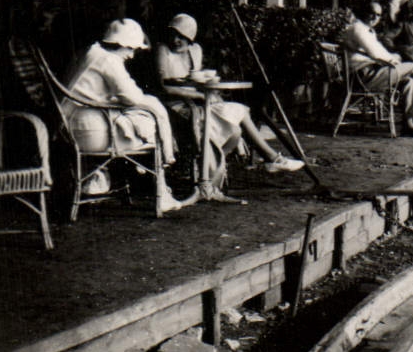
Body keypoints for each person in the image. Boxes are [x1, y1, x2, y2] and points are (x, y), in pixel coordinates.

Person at [61, 18, 187, 213]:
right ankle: (163, 189)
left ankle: (96, 182)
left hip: (72, 126)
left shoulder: (90, 52)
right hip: (90, 132)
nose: (131, 55)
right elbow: (132, 96)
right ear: (122, 44)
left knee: (148, 110)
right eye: (132, 49)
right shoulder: (108, 60)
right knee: (150, 118)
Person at [155, 14, 303, 176]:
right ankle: (271, 158)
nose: (176, 40)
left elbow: (196, 80)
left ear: (190, 38)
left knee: (236, 128)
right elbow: (165, 88)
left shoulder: (195, 51)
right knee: (239, 115)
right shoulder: (163, 50)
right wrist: (201, 96)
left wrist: (209, 92)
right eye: (173, 34)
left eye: (181, 37)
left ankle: (210, 169)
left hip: (197, 102)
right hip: (177, 105)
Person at [338, 1, 413, 137]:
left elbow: (380, 51)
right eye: (372, 13)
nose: (374, 17)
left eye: (378, 15)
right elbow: (375, 53)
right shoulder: (358, 29)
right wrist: (393, 59)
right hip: (363, 76)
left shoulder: (367, 30)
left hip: (373, 73)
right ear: (364, 12)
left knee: (409, 82)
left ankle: (409, 125)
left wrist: (392, 57)